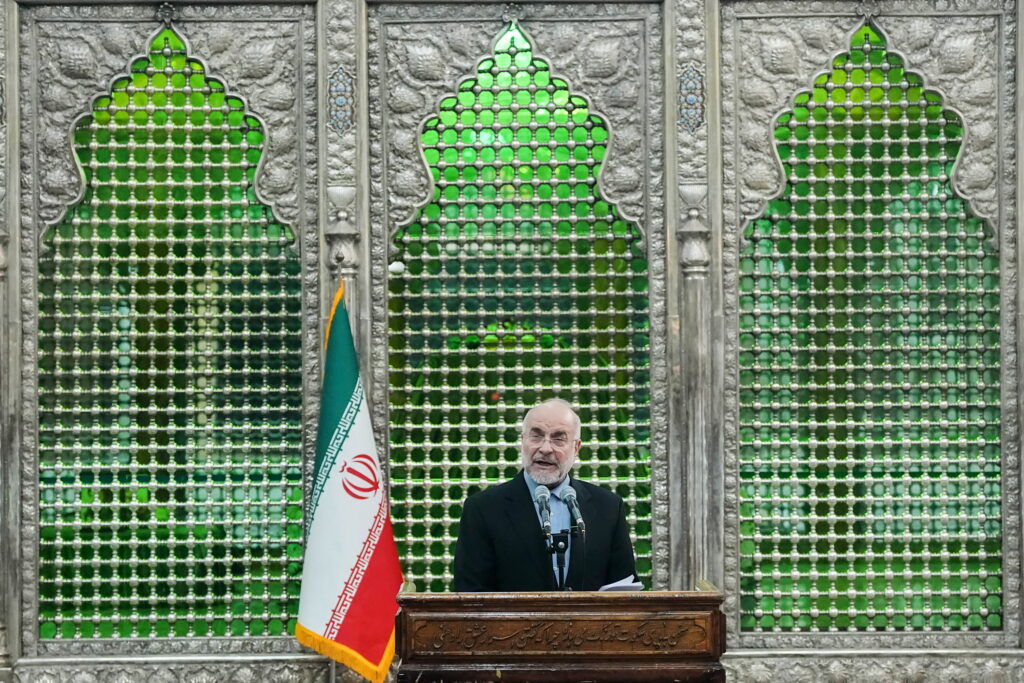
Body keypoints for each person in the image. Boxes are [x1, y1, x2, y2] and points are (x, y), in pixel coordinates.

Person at [453, 398, 637, 591]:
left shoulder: (608, 507)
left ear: (576, 448)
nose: (546, 448)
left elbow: (624, 589)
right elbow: (470, 593)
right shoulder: (483, 509)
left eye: (558, 439)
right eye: (536, 436)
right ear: (522, 441)